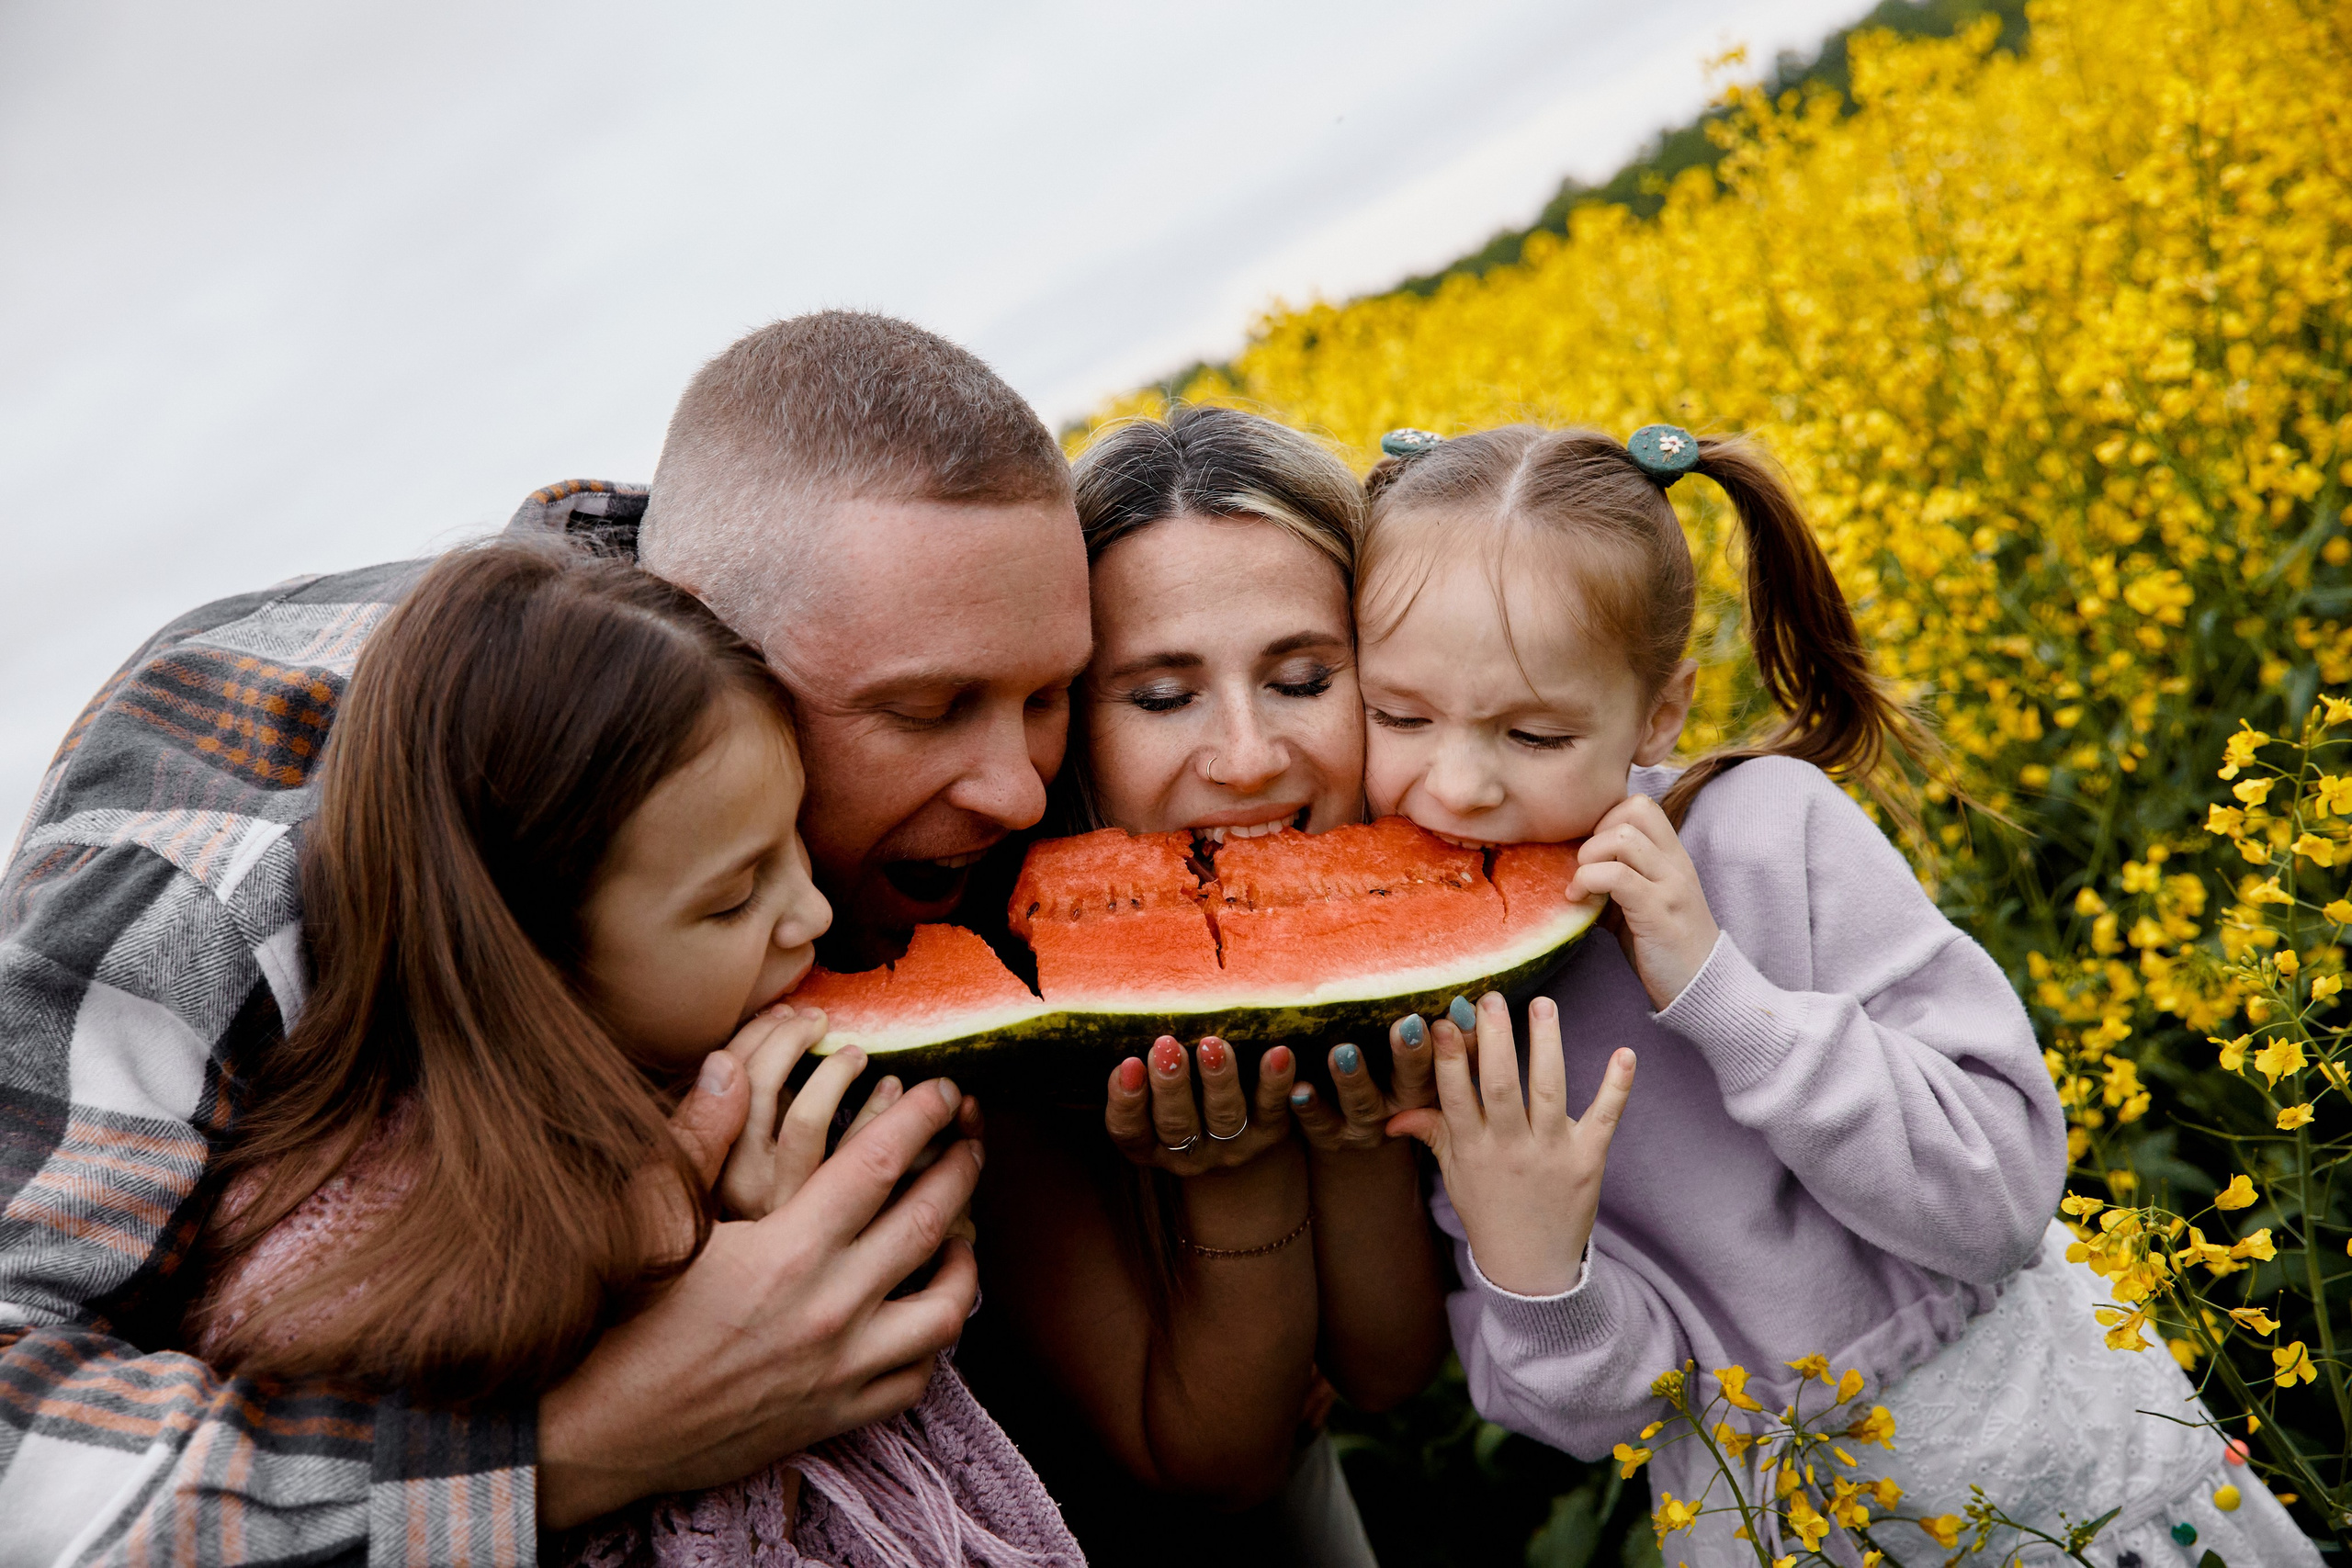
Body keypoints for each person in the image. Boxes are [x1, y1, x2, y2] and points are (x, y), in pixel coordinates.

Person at [0, 311, 1091, 1562]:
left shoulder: (908, 617)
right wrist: (586, 1440)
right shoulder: (220, 876)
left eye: (1052, 694)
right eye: (927, 709)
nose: (1016, 790)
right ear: (710, 656)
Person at [1357, 423, 2321, 1565]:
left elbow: (1999, 1201)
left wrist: (1721, 994)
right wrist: (1534, 1268)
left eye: (1534, 733)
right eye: (1398, 717)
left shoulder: (1769, 831)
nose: (1458, 786)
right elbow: (1601, 1417)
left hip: (2042, 1467)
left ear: (1660, 712)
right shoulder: (1429, 1000)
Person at [185, 539, 1078, 1568]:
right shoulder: (356, 1273)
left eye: (794, 839)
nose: (813, 912)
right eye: (736, 896)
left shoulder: (702, 1063)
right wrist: (706, 1255)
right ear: (533, 955)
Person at [963, 406, 1450, 1567]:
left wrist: (1344, 1139)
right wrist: (1229, 1179)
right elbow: (1216, 1468)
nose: (1245, 759)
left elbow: (1389, 1371)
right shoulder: (1009, 1013)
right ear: (1073, 727)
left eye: (1299, 677)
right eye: (1163, 698)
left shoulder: (1410, 924)